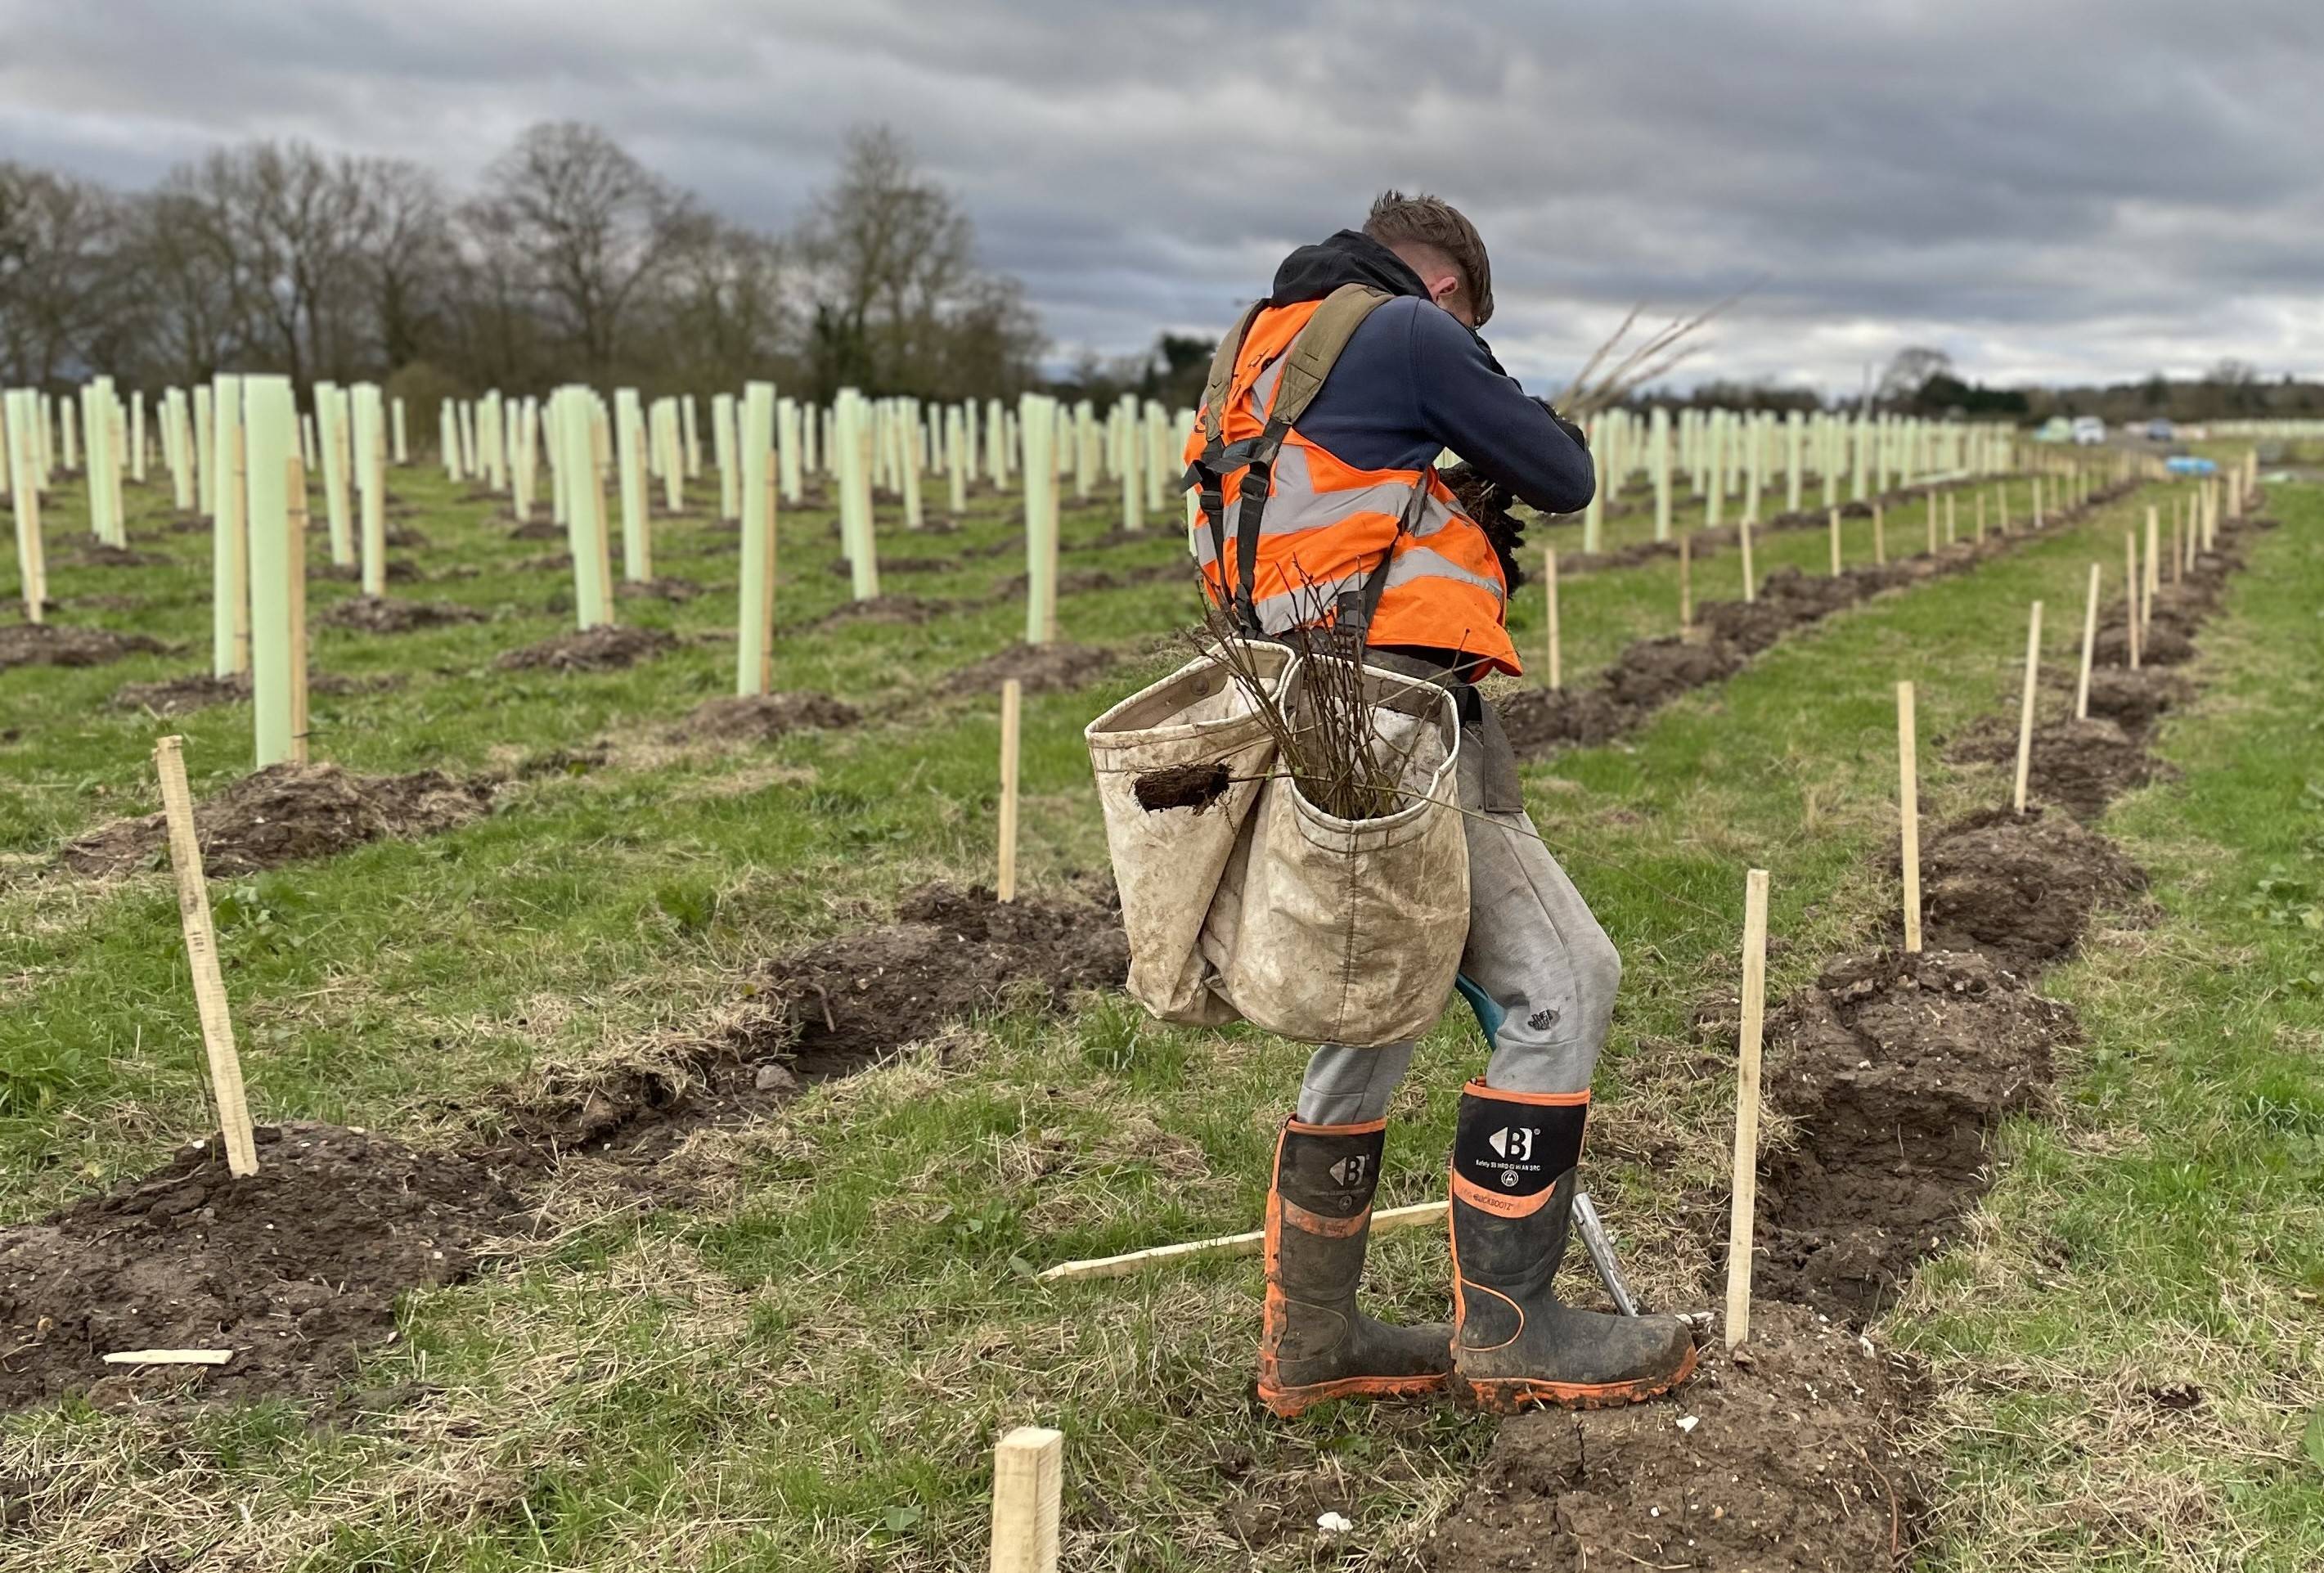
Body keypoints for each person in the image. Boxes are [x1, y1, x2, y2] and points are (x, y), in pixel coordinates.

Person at [1184, 191, 1697, 1417]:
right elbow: (1561, 473)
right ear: (1453, 292)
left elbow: (1327, 521)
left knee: (1385, 990)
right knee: (1565, 979)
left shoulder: (1259, 349)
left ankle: (1309, 1340)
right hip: (1402, 723)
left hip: (1296, 711)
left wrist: (1436, 504)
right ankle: (1516, 1327)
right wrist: (1518, 428)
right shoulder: (1410, 332)